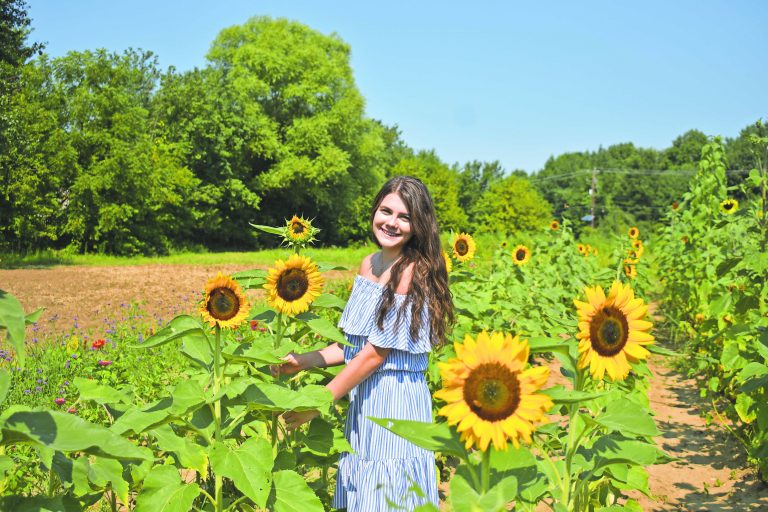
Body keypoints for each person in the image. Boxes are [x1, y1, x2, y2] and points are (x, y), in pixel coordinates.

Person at [276, 176, 454, 511]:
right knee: (368, 491)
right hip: (364, 396)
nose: (391, 222)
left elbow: (375, 355)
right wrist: (304, 360)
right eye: (386, 210)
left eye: (404, 217)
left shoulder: (411, 271)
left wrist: (319, 402)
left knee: (390, 493)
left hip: (396, 400)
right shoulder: (369, 264)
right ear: (374, 210)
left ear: (419, 225)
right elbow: (355, 345)